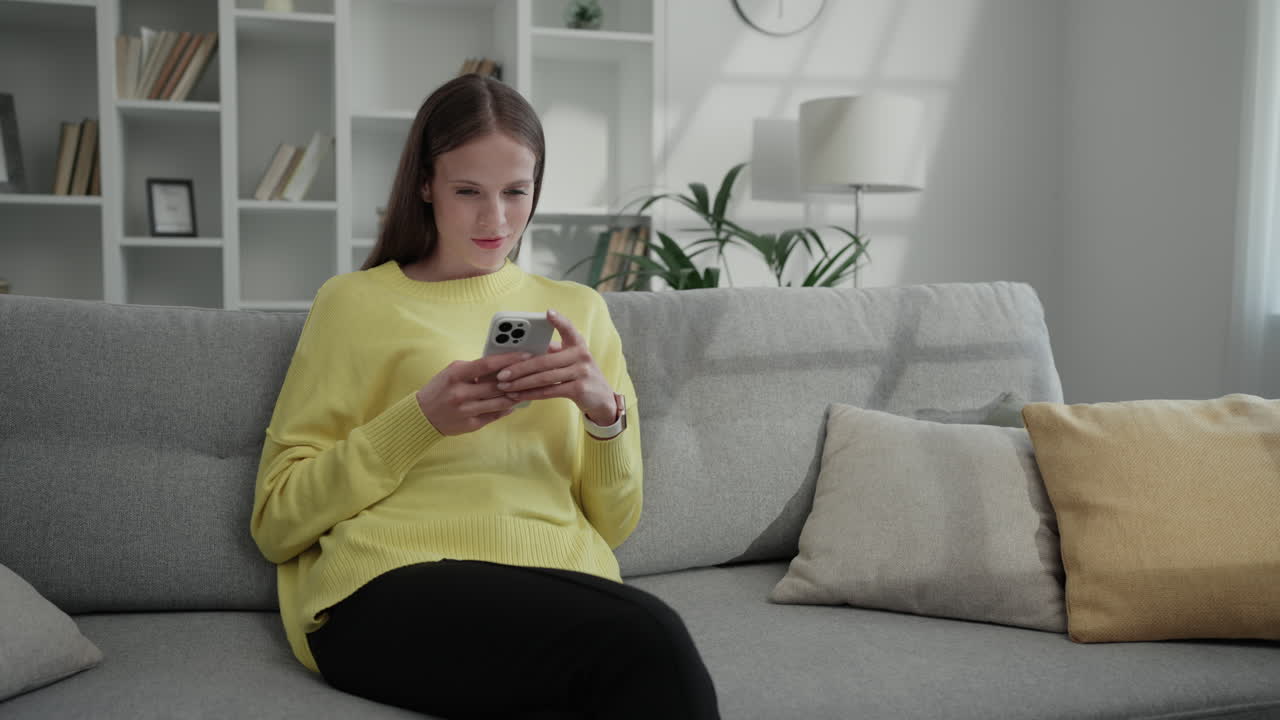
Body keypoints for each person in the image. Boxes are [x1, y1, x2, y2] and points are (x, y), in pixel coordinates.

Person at [250, 73, 721, 720]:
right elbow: (277, 524)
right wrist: (420, 420)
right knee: (652, 639)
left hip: (560, 588)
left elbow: (614, 524)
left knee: (636, 650)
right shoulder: (353, 303)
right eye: (468, 191)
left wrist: (603, 415)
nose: (495, 219)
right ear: (425, 184)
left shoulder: (579, 311)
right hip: (388, 587)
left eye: (515, 192)